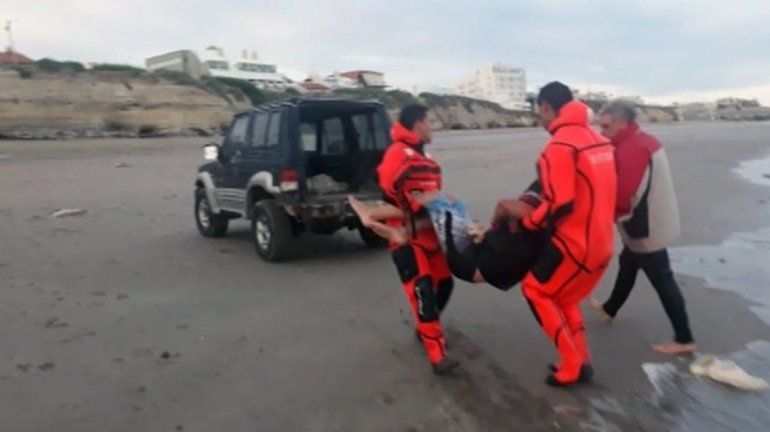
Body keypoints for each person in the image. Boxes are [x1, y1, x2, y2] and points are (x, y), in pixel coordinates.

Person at [492, 82, 617, 387]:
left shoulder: (558, 147)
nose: (539, 118)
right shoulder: (598, 140)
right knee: (564, 298)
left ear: (547, 106)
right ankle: (580, 360)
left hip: (574, 245)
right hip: (602, 243)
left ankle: (573, 366)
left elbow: (560, 203)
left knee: (535, 290)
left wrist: (528, 224)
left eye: (539, 111)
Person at [590, 100, 696, 355]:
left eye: (606, 126)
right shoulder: (641, 139)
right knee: (628, 264)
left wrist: (597, 217)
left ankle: (684, 339)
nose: (602, 132)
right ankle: (610, 308)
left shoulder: (632, 148)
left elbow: (624, 196)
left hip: (646, 228)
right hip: (650, 220)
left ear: (622, 123)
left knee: (662, 280)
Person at [376, 104, 458, 375]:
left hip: (429, 233)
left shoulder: (423, 155)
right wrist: (418, 204)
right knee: (422, 289)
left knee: (444, 284)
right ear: (417, 124)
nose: (431, 127)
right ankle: (437, 355)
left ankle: (425, 327)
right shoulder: (396, 154)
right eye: (429, 121)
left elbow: (431, 192)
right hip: (405, 236)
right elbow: (390, 191)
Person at [349, 182, 546, 291]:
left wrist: (494, 225)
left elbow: (504, 205)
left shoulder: (538, 207)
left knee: (436, 200)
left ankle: (370, 215)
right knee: (445, 207)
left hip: (467, 258)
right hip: (477, 253)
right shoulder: (551, 216)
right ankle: (403, 233)